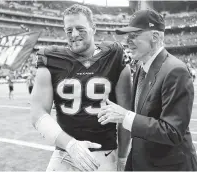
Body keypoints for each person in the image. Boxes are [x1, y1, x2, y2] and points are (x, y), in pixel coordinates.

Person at [31, 4, 132, 171]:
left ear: (93, 28)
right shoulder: (50, 57)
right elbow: (37, 113)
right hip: (66, 152)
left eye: (80, 28)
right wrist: (71, 145)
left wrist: (122, 157)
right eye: (69, 30)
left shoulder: (114, 55)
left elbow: (125, 113)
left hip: (106, 153)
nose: (74, 34)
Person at [98, 9, 197, 171]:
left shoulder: (175, 70)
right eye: (127, 36)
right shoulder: (141, 66)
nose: (128, 42)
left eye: (135, 35)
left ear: (155, 37)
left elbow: (172, 131)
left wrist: (125, 116)